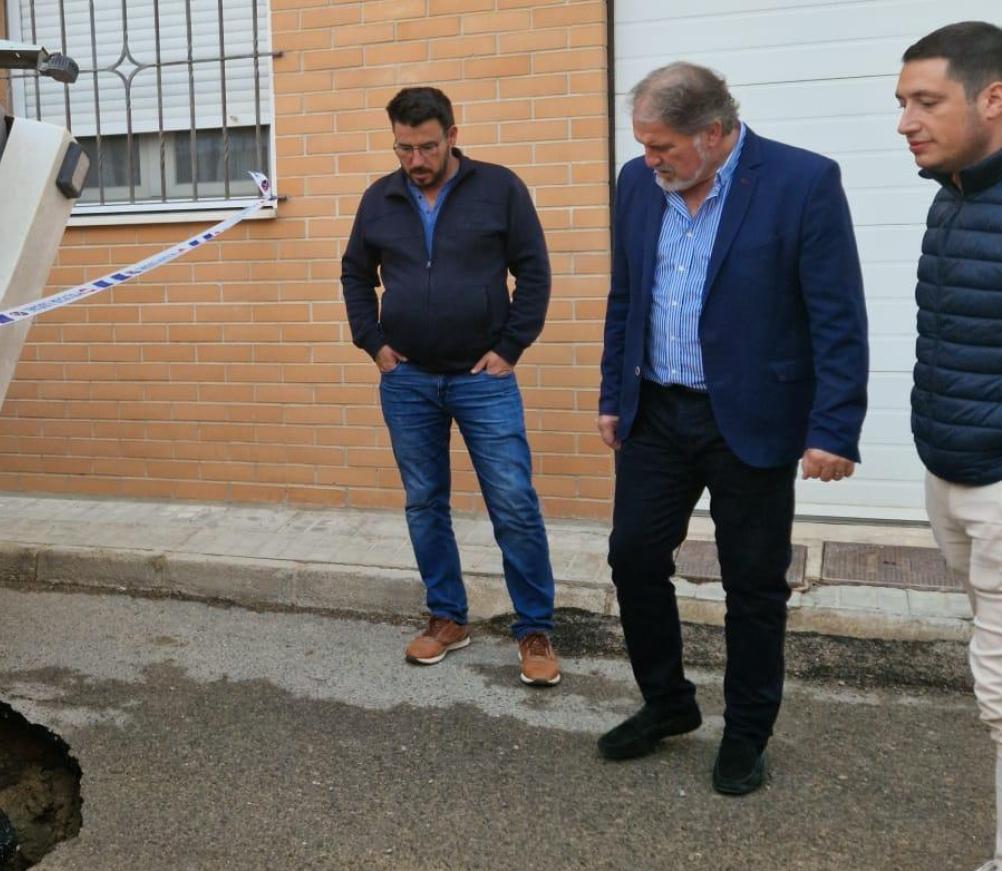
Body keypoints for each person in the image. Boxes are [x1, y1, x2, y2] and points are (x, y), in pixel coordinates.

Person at [596, 62, 868, 795]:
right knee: (632, 556)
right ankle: (668, 703)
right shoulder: (635, 183)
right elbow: (626, 295)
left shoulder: (800, 182)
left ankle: (747, 731)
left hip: (749, 417)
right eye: (644, 146)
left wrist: (834, 427)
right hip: (657, 410)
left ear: (714, 133)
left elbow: (837, 314)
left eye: (664, 148)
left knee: (752, 583)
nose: (650, 161)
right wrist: (612, 394)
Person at [339, 86, 560, 686]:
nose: (416, 160)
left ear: (452, 136)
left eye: (427, 146)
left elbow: (534, 271)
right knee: (424, 500)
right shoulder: (379, 199)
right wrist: (373, 343)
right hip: (407, 378)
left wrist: (510, 347)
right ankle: (446, 617)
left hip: (481, 379)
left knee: (512, 502)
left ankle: (534, 628)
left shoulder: (499, 188)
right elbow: (356, 275)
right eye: (404, 148)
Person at [894, 22, 1002, 871]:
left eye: (926, 101)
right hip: (955, 470)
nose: (905, 121)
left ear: (993, 98)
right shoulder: (952, 199)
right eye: (902, 102)